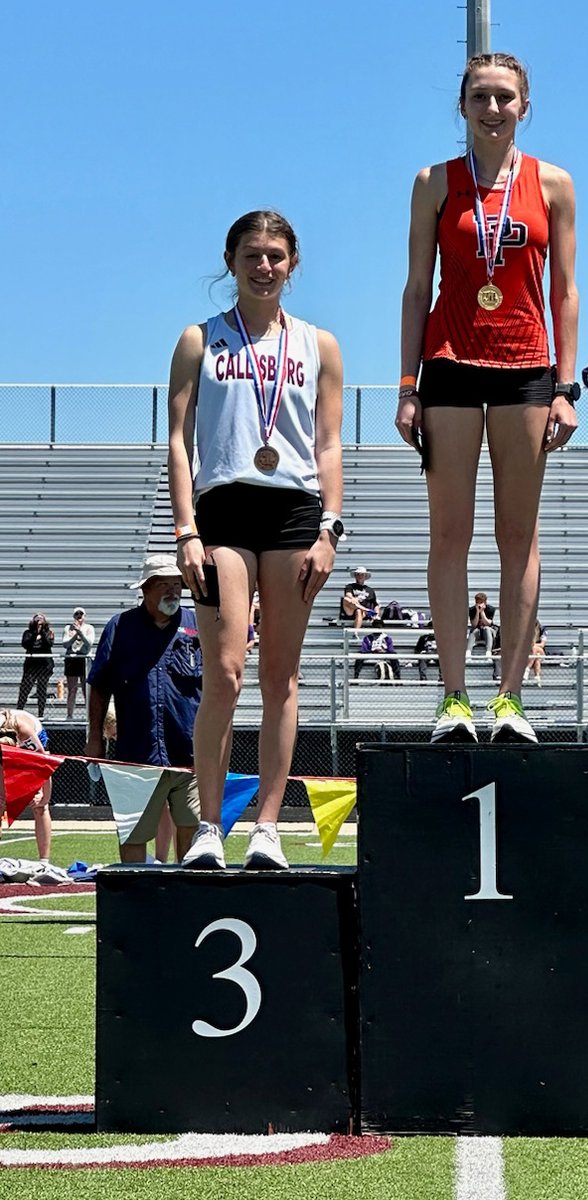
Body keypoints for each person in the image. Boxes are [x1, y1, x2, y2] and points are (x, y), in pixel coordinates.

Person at [395, 51, 578, 744]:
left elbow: (563, 290)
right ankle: (452, 696)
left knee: (517, 537)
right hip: (448, 366)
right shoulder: (433, 184)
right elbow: (417, 288)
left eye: (505, 97)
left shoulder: (553, 183)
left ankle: (507, 698)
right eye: (480, 96)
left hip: (527, 369)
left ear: (523, 106)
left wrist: (564, 387)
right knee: (450, 535)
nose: (493, 108)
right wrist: (407, 384)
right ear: (463, 105)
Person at [168, 210, 344, 871]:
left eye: (275, 255)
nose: (264, 266)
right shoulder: (200, 339)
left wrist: (331, 526)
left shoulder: (317, 344)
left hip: (295, 512)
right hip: (223, 510)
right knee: (226, 672)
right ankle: (209, 825)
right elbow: (179, 443)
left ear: (292, 264)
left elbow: (327, 442)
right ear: (231, 259)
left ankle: (267, 827)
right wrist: (185, 528)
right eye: (252, 254)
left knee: (281, 675)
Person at [84, 555, 202, 863]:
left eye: (177, 585)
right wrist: (94, 737)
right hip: (136, 755)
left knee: (193, 830)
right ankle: (137, 905)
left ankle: (187, 903)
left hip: (190, 754)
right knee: (133, 833)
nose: (173, 591)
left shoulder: (196, 624)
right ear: (146, 589)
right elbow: (99, 685)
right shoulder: (119, 626)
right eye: (164, 585)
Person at [0, 707, 53, 863]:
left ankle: (44, 861)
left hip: (35, 738)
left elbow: (44, 766)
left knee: (39, 807)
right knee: (1, 801)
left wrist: (45, 798)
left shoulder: (25, 731)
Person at [18, 613, 55, 718]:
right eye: (36, 618)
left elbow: (48, 644)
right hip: (31, 666)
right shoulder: (28, 633)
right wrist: (35, 633)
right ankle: (19, 711)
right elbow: (26, 644)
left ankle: (40, 715)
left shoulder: (49, 633)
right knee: (24, 689)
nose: (39, 619)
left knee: (42, 689)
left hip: (44, 666)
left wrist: (42, 633)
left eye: (41, 618)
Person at [62, 606, 95, 720]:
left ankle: (89, 715)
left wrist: (81, 633)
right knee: (72, 689)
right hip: (72, 660)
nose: (79, 616)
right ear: (74, 616)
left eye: (81, 614)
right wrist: (75, 635)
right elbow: (65, 644)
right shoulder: (68, 628)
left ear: (84, 616)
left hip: (84, 660)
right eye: (77, 614)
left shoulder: (89, 628)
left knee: (86, 689)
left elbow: (89, 643)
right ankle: (69, 715)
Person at [466, 591, 497, 659]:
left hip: (489, 632)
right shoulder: (472, 610)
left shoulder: (490, 609)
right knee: (474, 630)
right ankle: (468, 652)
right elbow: (474, 625)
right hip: (478, 632)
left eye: (481, 602)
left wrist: (482, 612)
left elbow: (488, 623)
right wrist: (477, 612)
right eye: (477, 602)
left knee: (487, 629)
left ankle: (488, 652)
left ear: (485, 602)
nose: (479, 604)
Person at [524, 618, 547, 685]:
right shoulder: (526, 630)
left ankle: (527, 669)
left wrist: (532, 645)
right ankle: (537, 677)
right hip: (529, 653)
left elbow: (542, 645)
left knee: (534, 648)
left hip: (540, 651)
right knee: (537, 657)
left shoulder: (542, 629)